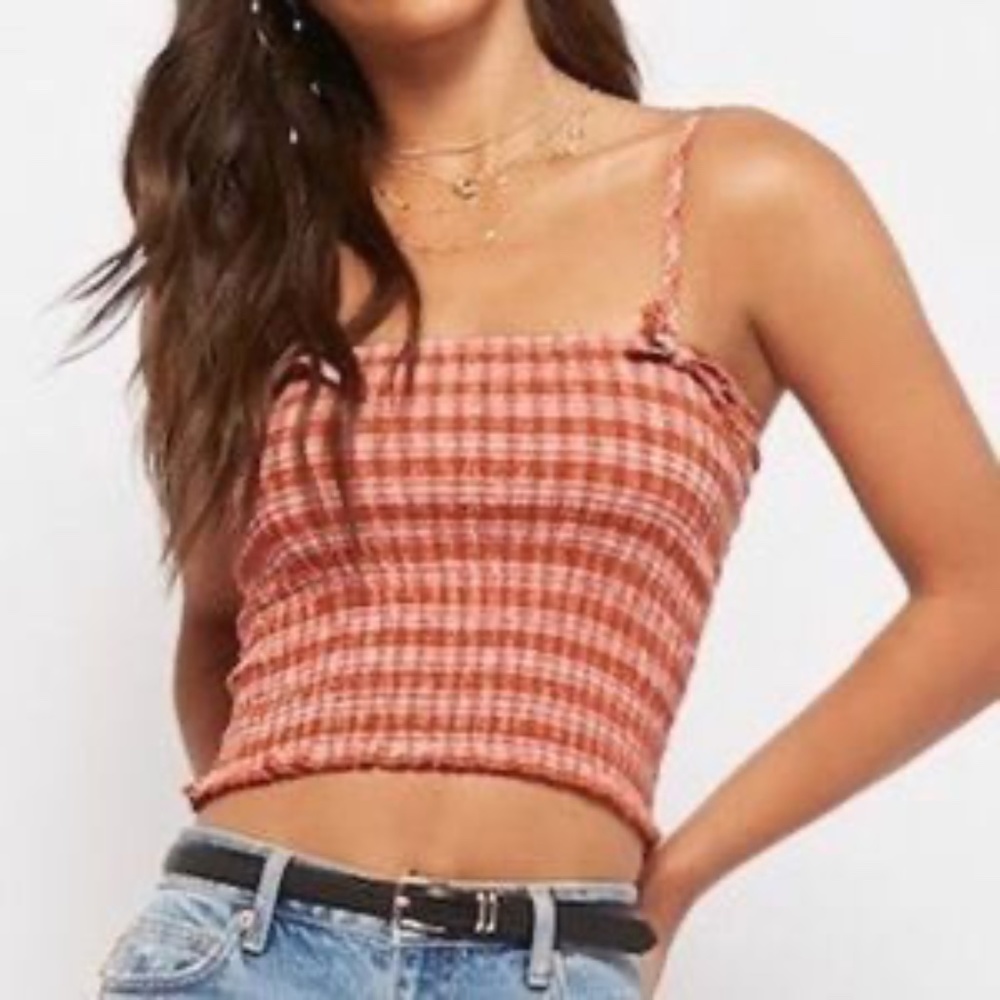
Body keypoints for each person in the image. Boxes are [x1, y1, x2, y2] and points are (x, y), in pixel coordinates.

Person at [71, 0, 1000, 997]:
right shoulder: (250, 249)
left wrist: (679, 876)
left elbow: (978, 594)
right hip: (242, 953)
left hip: (550, 963)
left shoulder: (740, 193)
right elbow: (218, 626)